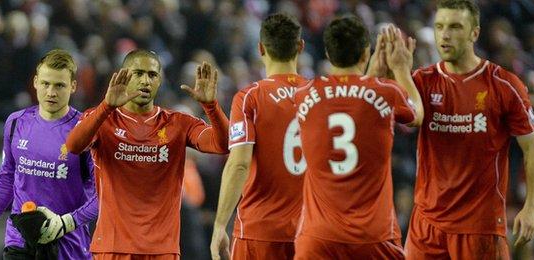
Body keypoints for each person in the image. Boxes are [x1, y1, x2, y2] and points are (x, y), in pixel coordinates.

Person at [402, 0, 534, 258]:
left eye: (455, 27)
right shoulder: (421, 82)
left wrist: (532, 207)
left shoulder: (504, 85)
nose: (445, 35)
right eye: (439, 26)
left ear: (474, 33)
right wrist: (393, 69)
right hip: (426, 226)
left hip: (479, 227)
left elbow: (533, 148)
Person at [66, 49, 228, 260]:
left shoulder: (178, 123)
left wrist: (211, 106)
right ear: (124, 76)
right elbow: (73, 146)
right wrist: (106, 107)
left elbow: (222, 144)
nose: (145, 81)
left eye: (152, 75)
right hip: (113, 247)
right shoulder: (102, 119)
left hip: (161, 250)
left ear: (159, 81)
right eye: (138, 73)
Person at [293, 16, 423, 259]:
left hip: (318, 238)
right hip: (374, 237)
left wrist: (371, 74)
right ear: (366, 53)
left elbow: (348, 98)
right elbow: (416, 115)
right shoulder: (386, 92)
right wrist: (402, 70)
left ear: (328, 54)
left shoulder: (303, 94)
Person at [0, 49, 98, 260]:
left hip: (68, 248)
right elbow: (6, 178)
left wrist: (65, 223)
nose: (51, 92)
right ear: (35, 82)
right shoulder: (17, 123)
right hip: (20, 243)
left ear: (73, 86)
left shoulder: (87, 131)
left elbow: (103, 196)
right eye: (45, 83)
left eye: (59, 85)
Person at [210, 13, 307, 260]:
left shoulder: (249, 98)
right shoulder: (321, 96)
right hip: (312, 231)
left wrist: (220, 224)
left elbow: (239, 163)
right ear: (300, 47)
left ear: (261, 48)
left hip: (260, 231)